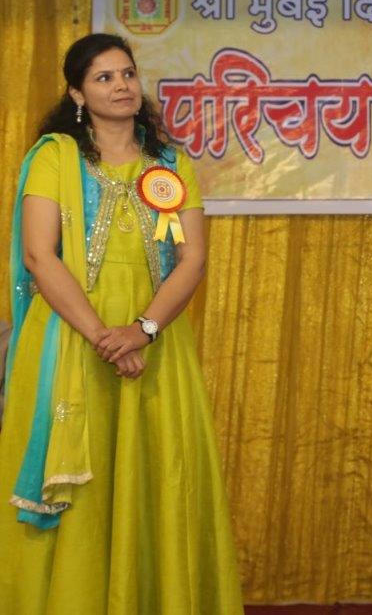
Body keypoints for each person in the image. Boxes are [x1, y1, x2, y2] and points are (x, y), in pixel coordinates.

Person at [0, 33, 243, 613]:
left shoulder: (170, 164)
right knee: (79, 488)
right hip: (69, 337)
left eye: (128, 73)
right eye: (104, 77)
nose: (121, 86)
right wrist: (106, 338)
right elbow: (40, 256)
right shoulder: (56, 157)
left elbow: (192, 258)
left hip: (155, 344)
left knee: (156, 476)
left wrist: (142, 331)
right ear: (76, 93)